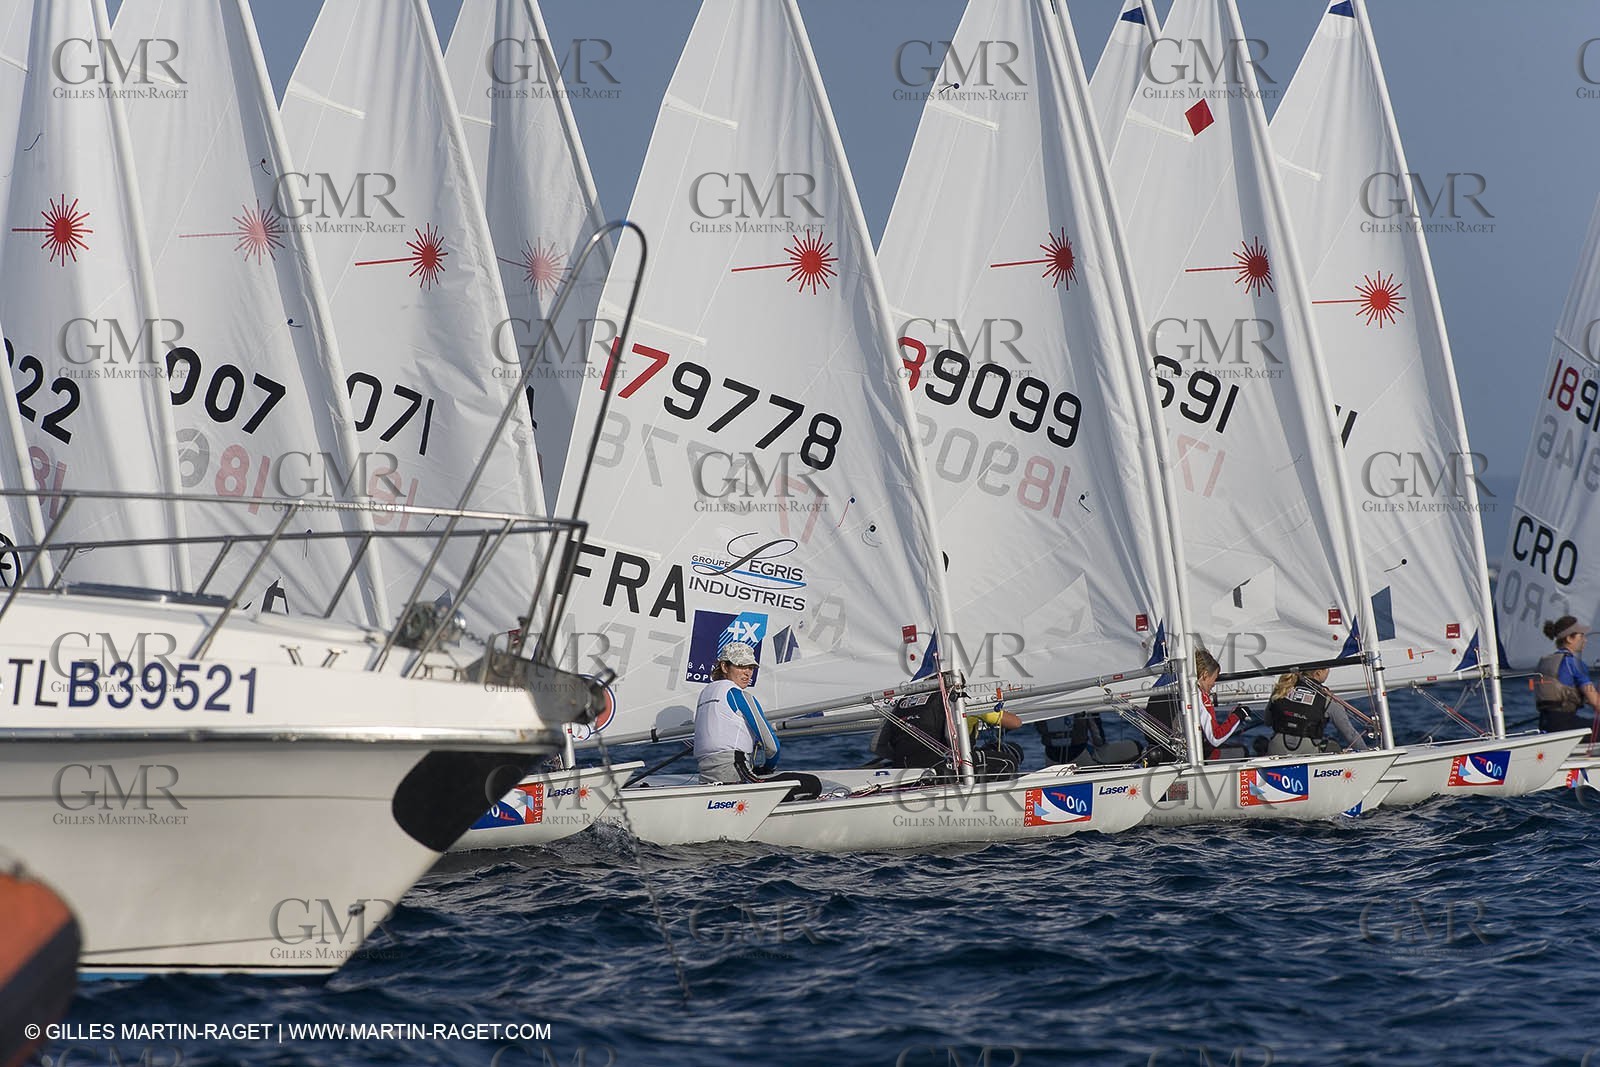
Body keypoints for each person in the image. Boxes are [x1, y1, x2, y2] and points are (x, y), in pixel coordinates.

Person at [693, 642, 820, 800]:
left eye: (751, 667)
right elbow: (772, 746)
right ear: (725, 667)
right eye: (741, 666)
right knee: (812, 784)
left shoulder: (704, 695)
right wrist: (768, 768)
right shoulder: (738, 695)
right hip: (736, 775)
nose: (747, 673)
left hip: (706, 778)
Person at [873, 688, 1023, 780]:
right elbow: (1016, 723)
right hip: (940, 767)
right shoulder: (958, 698)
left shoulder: (904, 699)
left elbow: (876, 746)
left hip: (903, 768)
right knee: (1009, 759)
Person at [1264, 667, 1371, 755]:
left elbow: (1267, 721)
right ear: (1318, 673)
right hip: (1307, 752)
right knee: (1333, 746)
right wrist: (1366, 754)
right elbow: (1350, 734)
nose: (1329, 671)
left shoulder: (1282, 689)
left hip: (1276, 750)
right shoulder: (1328, 698)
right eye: (1327, 669)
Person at [1534, 615, 1600, 737]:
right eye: (1581, 636)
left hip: (1544, 724)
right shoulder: (1575, 664)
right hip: (1566, 726)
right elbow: (1595, 702)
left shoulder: (1545, 662)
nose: (1585, 640)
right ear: (1570, 638)